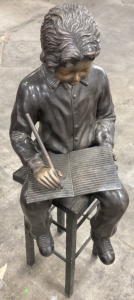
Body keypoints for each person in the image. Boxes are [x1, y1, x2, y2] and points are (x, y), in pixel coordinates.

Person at [10, 3, 129, 265]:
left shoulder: (99, 77)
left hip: (89, 153)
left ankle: (101, 233)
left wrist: (104, 140)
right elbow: (19, 134)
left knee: (119, 201)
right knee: (31, 204)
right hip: (53, 157)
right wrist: (37, 165)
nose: (77, 78)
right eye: (68, 72)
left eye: (83, 70)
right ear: (49, 60)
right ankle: (41, 230)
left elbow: (106, 116)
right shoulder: (31, 88)